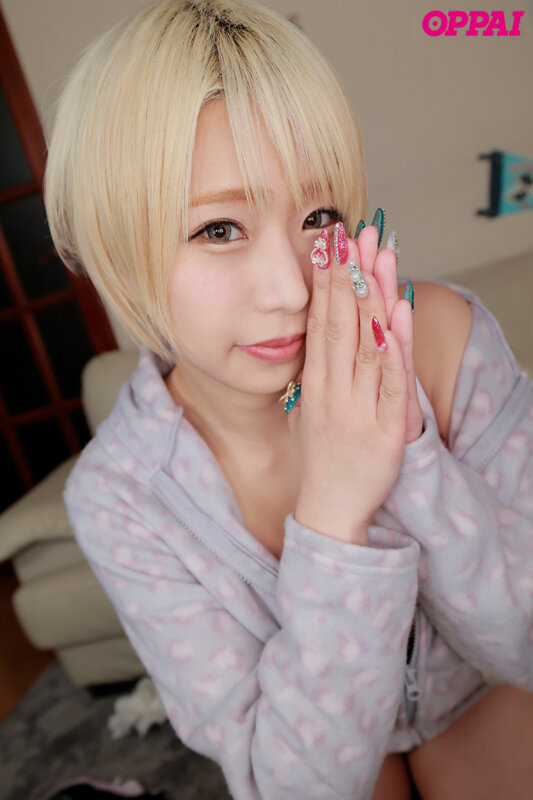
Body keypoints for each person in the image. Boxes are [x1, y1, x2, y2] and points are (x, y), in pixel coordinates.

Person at [43, 1, 533, 797]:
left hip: (484, 695)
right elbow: (293, 784)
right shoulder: (121, 493)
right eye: (217, 229)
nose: (290, 289)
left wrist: (406, 446)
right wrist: (335, 513)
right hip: (312, 744)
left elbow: (523, 646)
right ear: (114, 245)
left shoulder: (444, 341)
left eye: (318, 216)